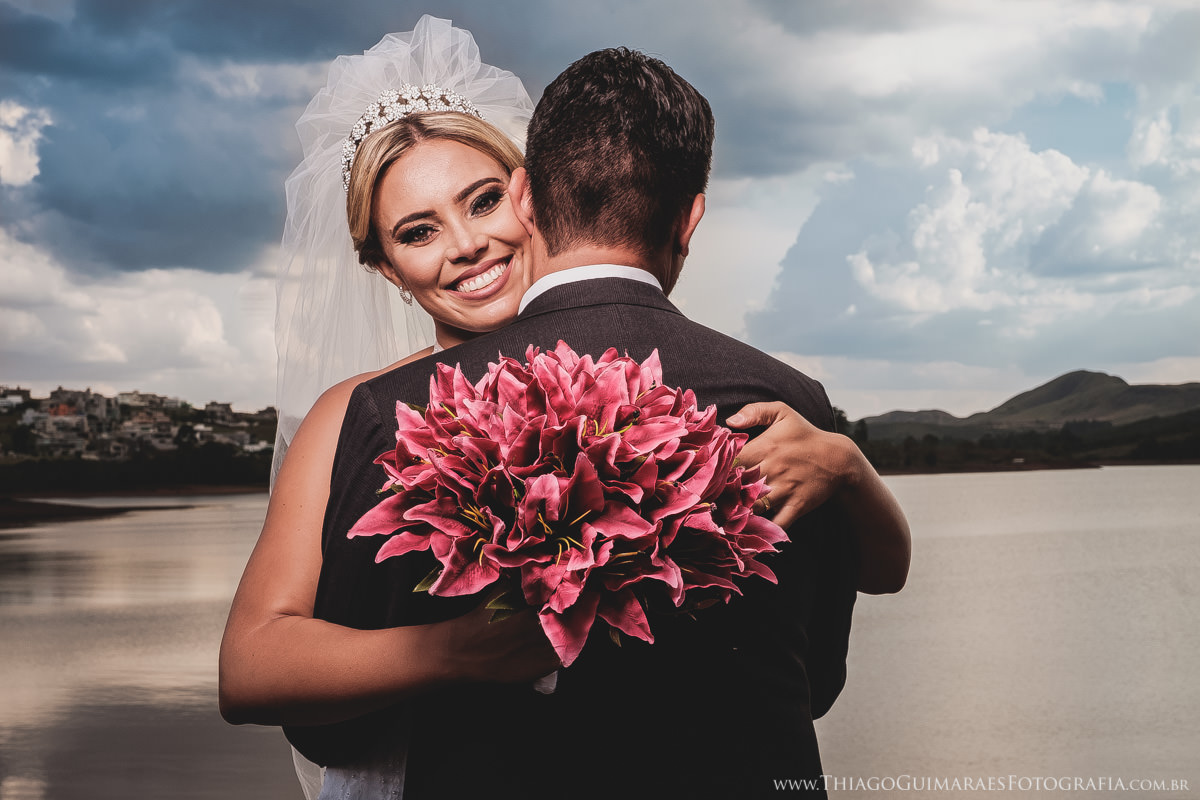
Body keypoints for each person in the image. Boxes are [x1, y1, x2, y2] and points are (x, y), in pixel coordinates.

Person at [220, 17, 909, 800]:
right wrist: (454, 651)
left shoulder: (676, 377)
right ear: (385, 268)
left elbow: (842, 597)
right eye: (419, 231)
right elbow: (250, 669)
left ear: (530, 194)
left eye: (483, 202)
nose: (468, 244)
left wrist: (849, 467)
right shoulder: (363, 414)